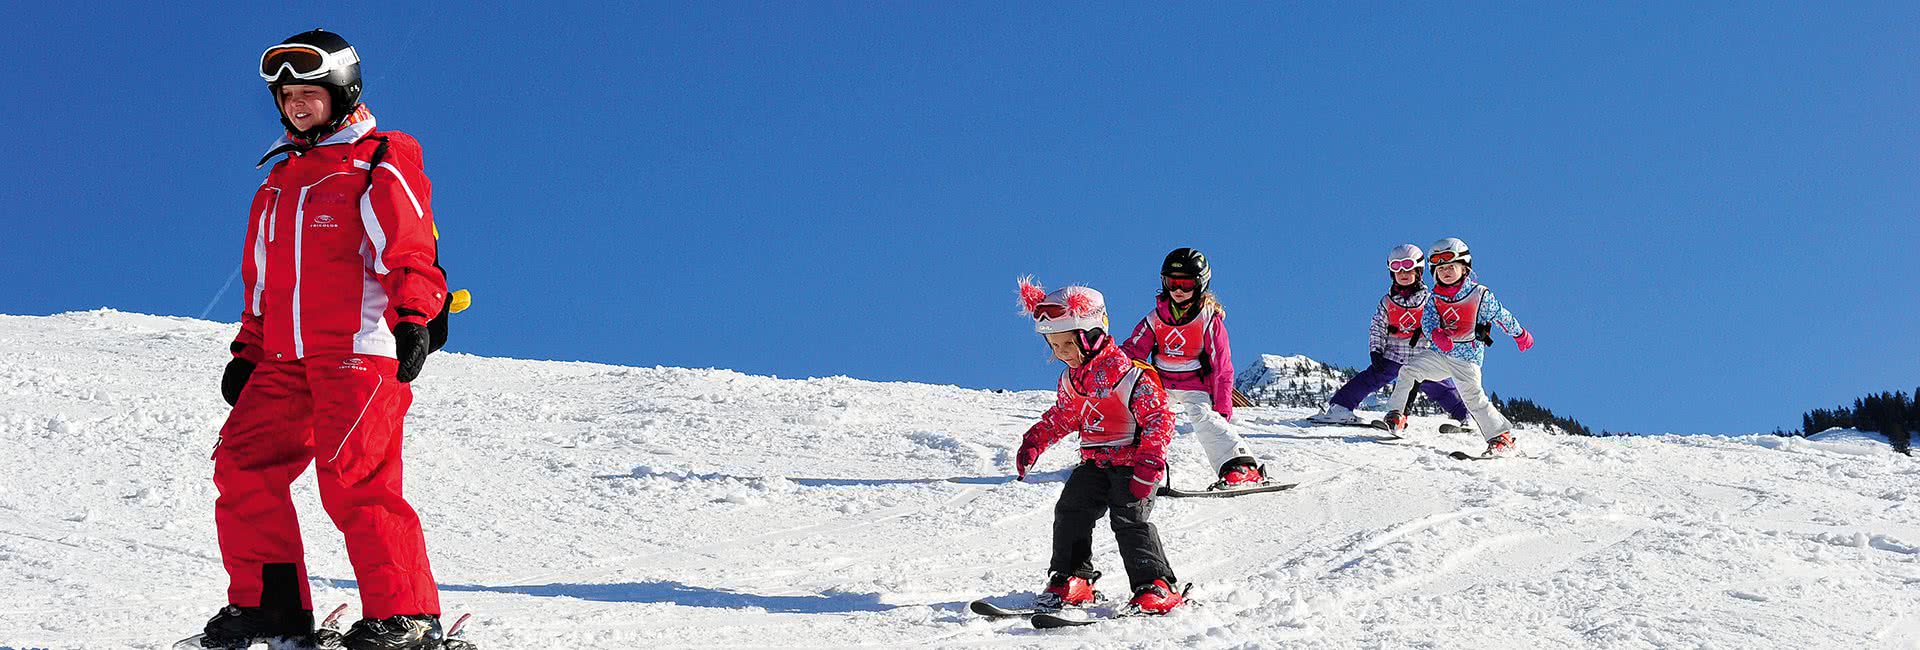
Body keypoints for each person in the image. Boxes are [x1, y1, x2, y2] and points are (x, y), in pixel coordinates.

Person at [196, 29, 450, 650]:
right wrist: (248, 350)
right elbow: (262, 281)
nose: (296, 103)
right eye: (286, 95)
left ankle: (405, 615)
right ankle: (271, 610)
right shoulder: (278, 183)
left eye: (309, 90)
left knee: (356, 478)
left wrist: (415, 315)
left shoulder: (379, 159)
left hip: (358, 350)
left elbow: (410, 247)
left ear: (341, 92)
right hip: (284, 358)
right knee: (242, 466)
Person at [1013, 278, 1185, 615]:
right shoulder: (1071, 380)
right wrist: (1034, 440)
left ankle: (1156, 585)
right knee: (1070, 511)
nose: (1060, 353)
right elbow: (1063, 416)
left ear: (1091, 335)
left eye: (1066, 344)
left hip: (1135, 463)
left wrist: (1150, 463)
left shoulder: (1130, 375)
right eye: (1053, 345)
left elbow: (1158, 418)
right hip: (1095, 464)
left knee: (1129, 519)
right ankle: (1073, 578)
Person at [1119, 248, 1264, 488]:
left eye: (1185, 284)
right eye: (1172, 283)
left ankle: (1240, 466)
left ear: (1200, 284)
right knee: (1137, 412)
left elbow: (1222, 367)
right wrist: (1107, 363)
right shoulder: (1155, 318)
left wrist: (1222, 408)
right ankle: (1119, 461)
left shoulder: (1208, 320)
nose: (1178, 290)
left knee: (1204, 417)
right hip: (1160, 382)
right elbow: (1133, 350)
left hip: (1194, 385)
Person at [1379, 238, 1536, 456]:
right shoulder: (1436, 298)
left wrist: (1519, 334)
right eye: (1440, 269)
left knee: (1472, 397)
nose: (1445, 272)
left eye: (1451, 267)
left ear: (1465, 267)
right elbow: (1428, 321)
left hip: (1466, 357)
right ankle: (1397, 415)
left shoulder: (1479, 295)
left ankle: (1502, 437)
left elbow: (1502, 316)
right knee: (1409, 370)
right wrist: (1436, 334)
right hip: (1440, 354)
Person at [1311, 244, 1477, 432]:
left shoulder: (1430, 301)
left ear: (1419, 271)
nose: (1403, 273)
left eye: (1408, 268)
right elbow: (1377, 328)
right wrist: (1376, 351)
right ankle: (1340, 408)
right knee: (1369, 379)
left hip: (1422, 358)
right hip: (1393, 355)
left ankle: (1466, 417)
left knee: (1442, 388)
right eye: (1397, 269)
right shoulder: (1387, 302)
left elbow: (1444, 323)